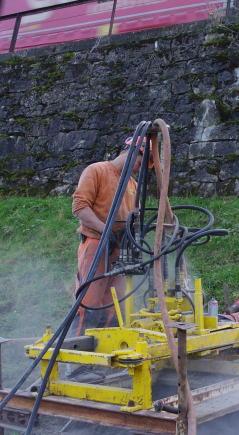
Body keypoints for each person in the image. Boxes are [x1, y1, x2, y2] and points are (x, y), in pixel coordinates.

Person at [68, 136, 150, 338]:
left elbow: (134, 218)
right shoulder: (96, 171)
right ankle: (77, 360)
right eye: (141, 163)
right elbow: (80, 207)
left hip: (120, 249)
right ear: (133, 152)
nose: (140, 169)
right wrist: (105, 232)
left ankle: (106, 357)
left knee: (115, 306)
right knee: (89, 302)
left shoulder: (133, 185)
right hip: (97, 245)